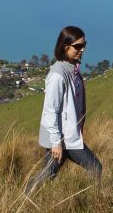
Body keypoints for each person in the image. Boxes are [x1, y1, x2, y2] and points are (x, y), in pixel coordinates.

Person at [25, 26, 102, 194]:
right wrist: (56, 142)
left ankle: (26, 197)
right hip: (61, 137)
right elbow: (50, 110)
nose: (82, 49)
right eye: (78, 46)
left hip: (67, 134)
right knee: (95, 168)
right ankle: (90, 200)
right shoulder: (58, 75)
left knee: (49, 173)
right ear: (65, 46)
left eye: (84, 45)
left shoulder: (72, 67)